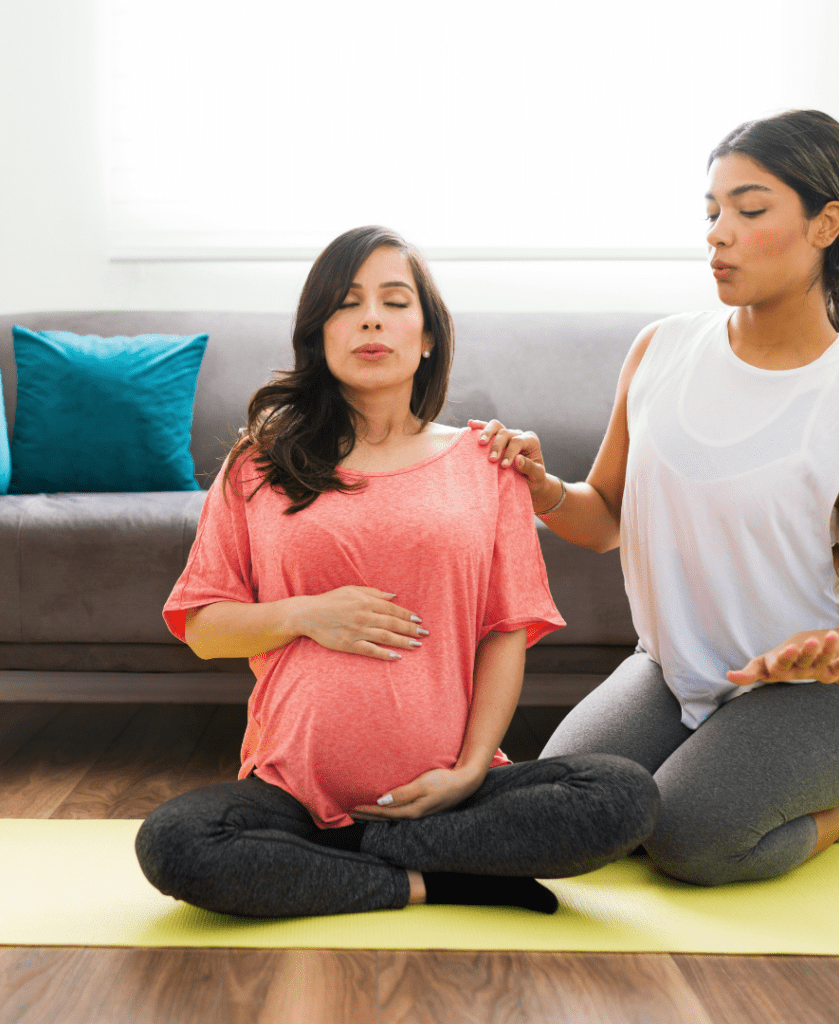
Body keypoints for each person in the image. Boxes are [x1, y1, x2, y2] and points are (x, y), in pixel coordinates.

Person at [135, 226, 660, 919]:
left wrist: (470, 771)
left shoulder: (487, 463)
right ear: (319, 333)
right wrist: (305, 613)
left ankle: (345, 869)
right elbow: (204, 627)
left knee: (622, 796)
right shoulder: (258, 466)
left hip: (450, 795)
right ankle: (433, 878)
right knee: (176, 843)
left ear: (428, 334)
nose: (372, 318)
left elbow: (505, 632)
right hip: (293, 796)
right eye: (348, 304)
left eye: (394, 300)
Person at [471, 109, 839, 886]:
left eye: (749, 211)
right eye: (712, 211)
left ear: (827, 224)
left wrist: (825, 656)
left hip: (832, 695)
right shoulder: (661, 349)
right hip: (673, 670)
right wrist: (546, 490)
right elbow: (606, 520)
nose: (719, 232)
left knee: (692, 840)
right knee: (557, 812)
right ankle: (717, 763)